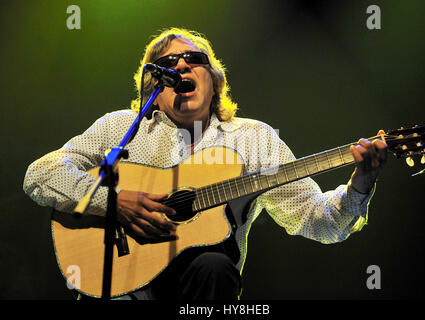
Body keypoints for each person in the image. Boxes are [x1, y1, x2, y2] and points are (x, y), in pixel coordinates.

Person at [23, 27, 387, 300]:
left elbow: (320, 223)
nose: (181, 66)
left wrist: (361, 181)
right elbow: (40, 174)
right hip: (121, 283)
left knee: (214, 264)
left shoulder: (253, 139)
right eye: (167, 64)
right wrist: (114, 201)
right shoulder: (120, 126)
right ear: (154, 85)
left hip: (198, 291)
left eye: (194, 60)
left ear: (214, 80)